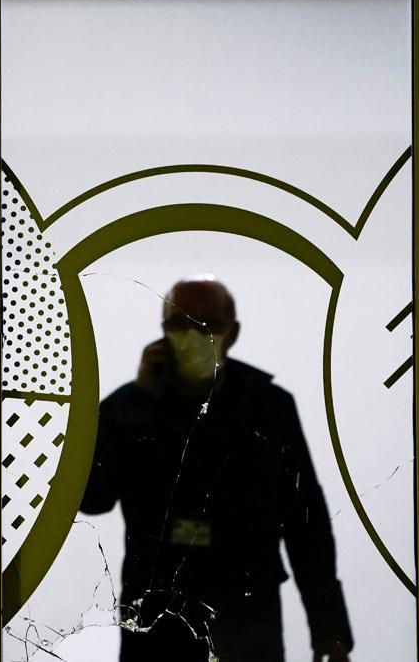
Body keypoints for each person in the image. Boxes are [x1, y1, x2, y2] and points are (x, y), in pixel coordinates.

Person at [80, 276, 353, 662]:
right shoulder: (129, 407)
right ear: (163, 332)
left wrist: (329, 627)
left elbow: (305, 520)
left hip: (244, 610)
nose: (192, 335)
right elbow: (93, 501)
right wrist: (137, 408)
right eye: (179, 324)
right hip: (157, 616)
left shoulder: (268, 408)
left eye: (206, 324)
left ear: (232, 331)